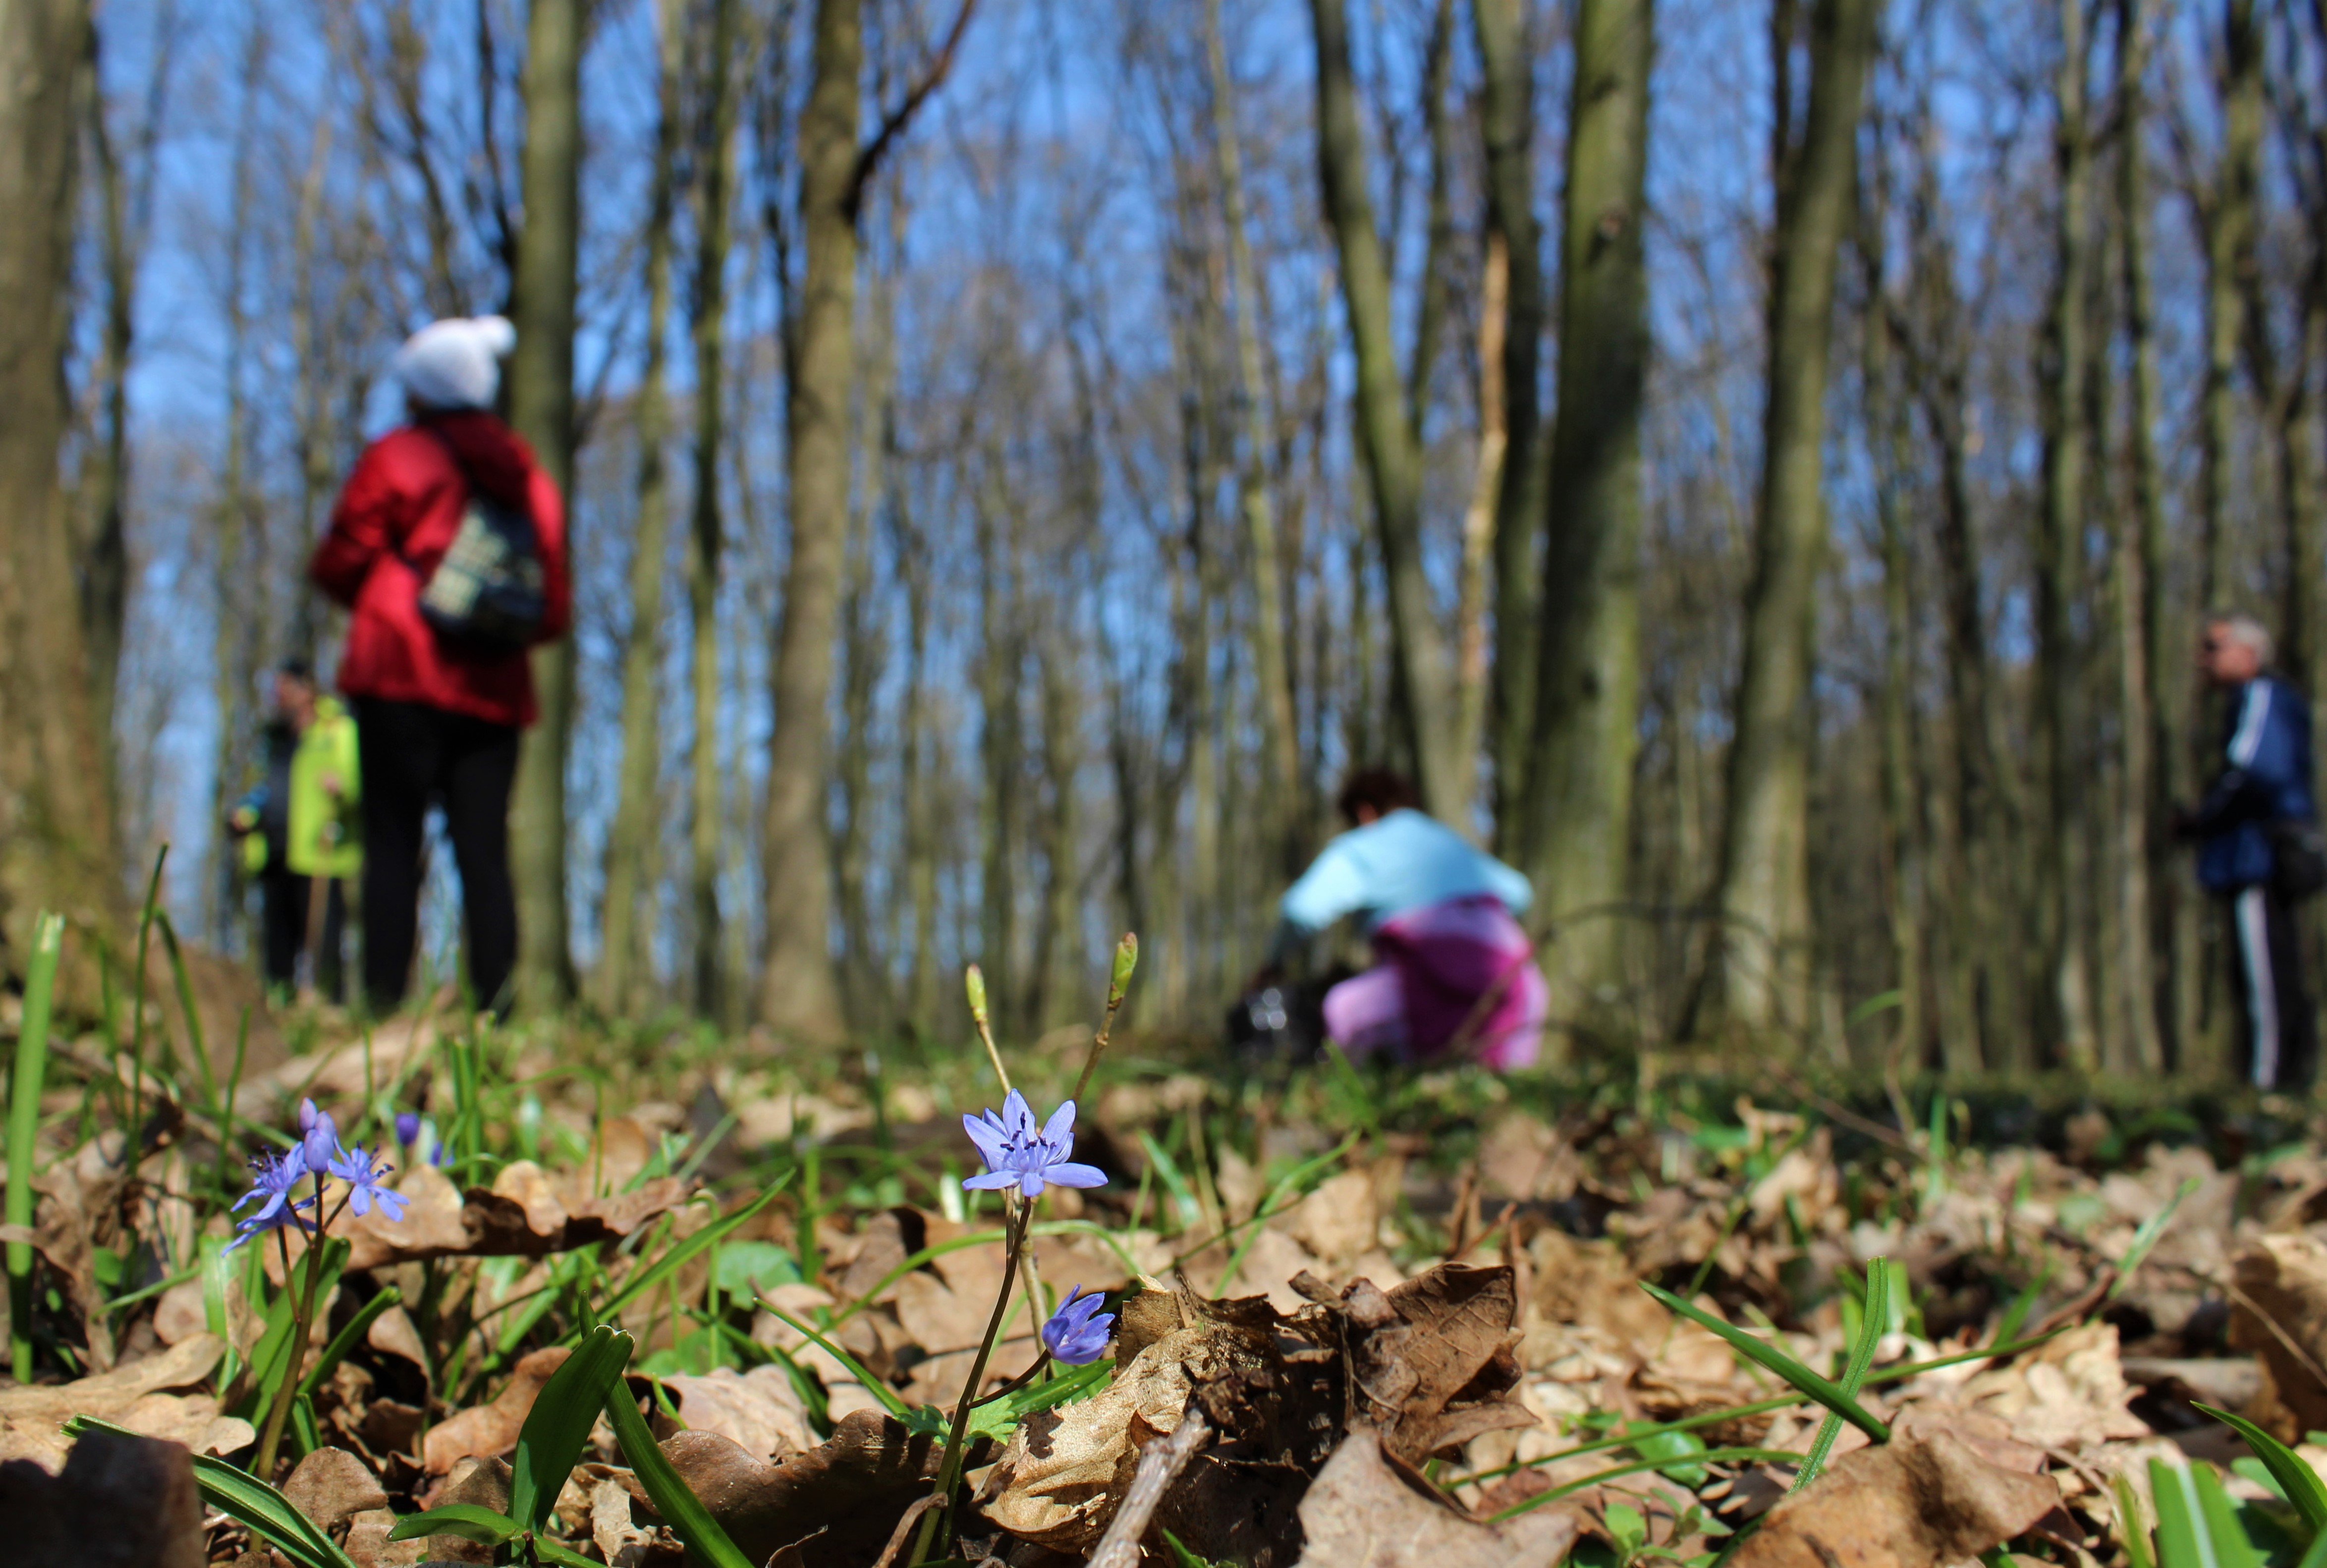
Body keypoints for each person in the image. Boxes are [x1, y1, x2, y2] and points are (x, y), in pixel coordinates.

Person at [310, 316, 571, 1017]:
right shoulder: (532, 481)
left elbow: (339, 560)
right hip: (493, 692)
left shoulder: (399, 456)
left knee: (394, 845)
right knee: (484, 854)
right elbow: (552, 607)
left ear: (425, 389)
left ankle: (383, 1003)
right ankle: (499, 1012)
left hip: (400, 671)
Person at [1254, 769, 1548, 1069]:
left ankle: (1345, 1099)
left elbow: (1301, 911)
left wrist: (1272, 964)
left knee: (1342, 1010)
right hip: (1518, 979)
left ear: (1365, 813)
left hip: (1427, 977)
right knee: (1497, 1087)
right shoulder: (1445, 841)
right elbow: (1519, 891)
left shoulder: (1362, 847)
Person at [2175, 613, 2319, 1091]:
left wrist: (2203, 818)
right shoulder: (2267, 700)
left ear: (2247, 653)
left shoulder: (2261, 696)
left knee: (2264, 975)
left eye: (2212, 647)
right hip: (2260, 850)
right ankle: (2284, 1077)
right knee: (2273, 966)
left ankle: (2269, 1083)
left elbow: (2252, 771)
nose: (2203, 659)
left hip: (2258, 854)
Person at [226, 661, 359, 1001]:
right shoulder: (273, 740)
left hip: (320, 849)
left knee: (323, 939)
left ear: (308, 690)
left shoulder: (338, 730)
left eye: (287, 689)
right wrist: (246, 813)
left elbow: (358, 781)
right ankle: (280, 1007)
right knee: (277, 942)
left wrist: (342, 788)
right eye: (277, 692)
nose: (281, 698)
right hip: (274, 849)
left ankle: (330, 1008)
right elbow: (261, 788)